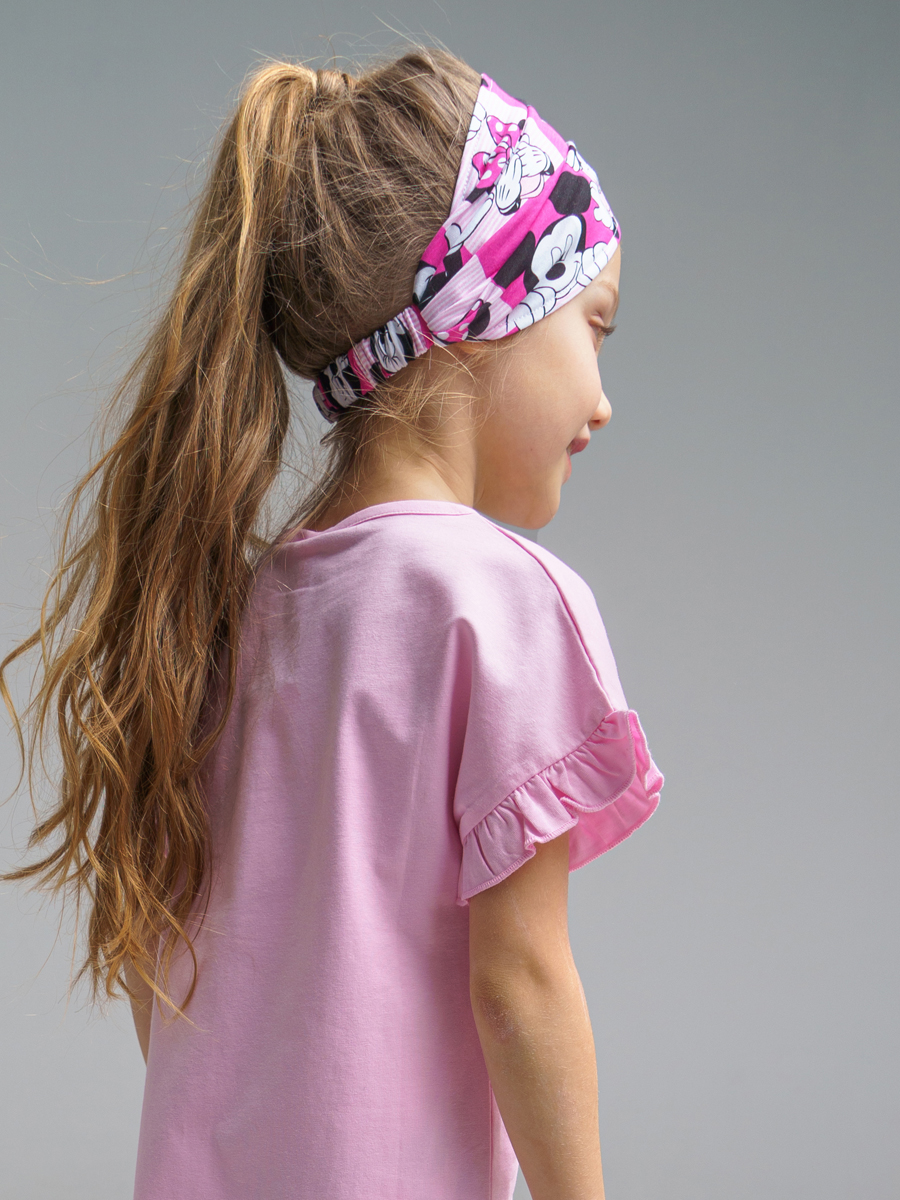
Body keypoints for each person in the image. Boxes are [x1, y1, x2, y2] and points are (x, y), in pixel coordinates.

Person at [0, 45, 663, 1200]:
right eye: (594, 324)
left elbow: (177, 996)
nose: (603, 399)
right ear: (484, 308)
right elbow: (520, 987)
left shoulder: (219, 618)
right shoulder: (503, 605)